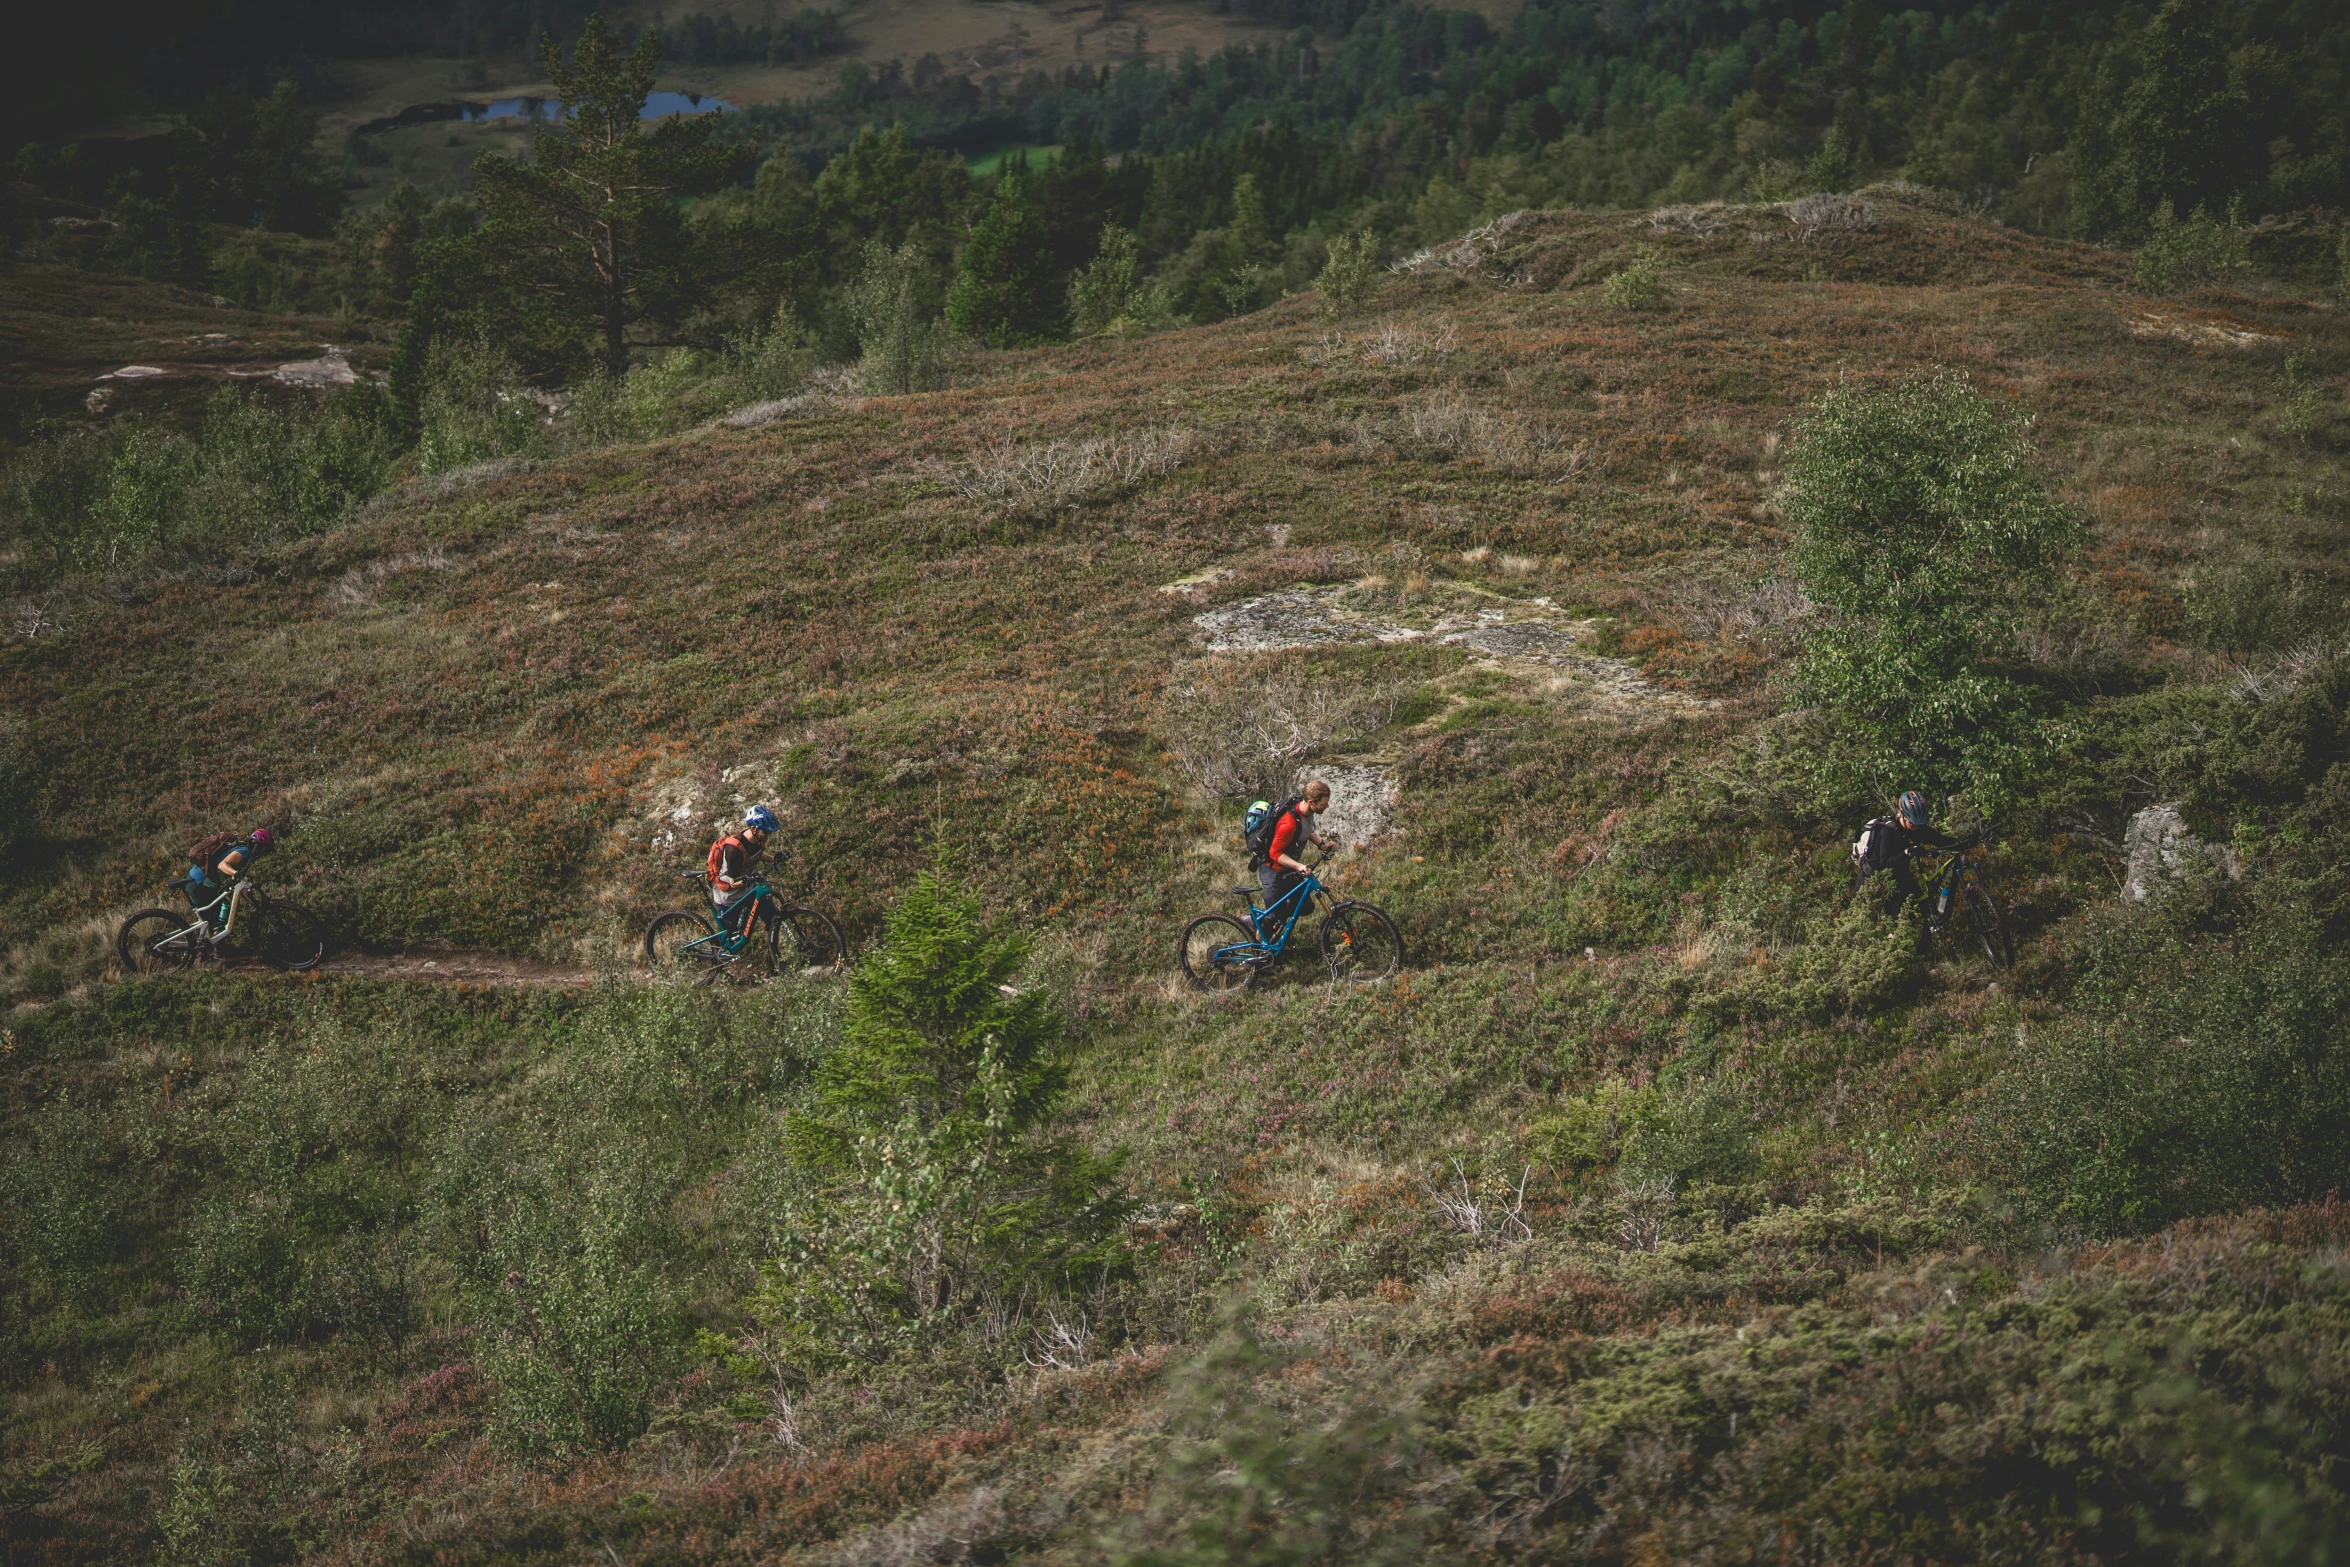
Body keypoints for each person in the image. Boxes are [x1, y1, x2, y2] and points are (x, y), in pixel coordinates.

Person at [1855, 791, 1959, 949]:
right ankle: (1891, 957)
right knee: (1892, 923)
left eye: (1919, 824)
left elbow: (1942, 841)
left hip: (1899, 876)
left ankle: (1922, 953)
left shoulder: (1918, 828)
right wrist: (1907, 853)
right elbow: (1884, 864)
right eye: (1913, 823)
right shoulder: (1888, 832)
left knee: (1922, 906)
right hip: (1875, 880)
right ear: (1902, 816)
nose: (1916, 828)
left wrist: (1968, 841)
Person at [1253, 779, 1337, 938]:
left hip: (1289, 869)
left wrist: (1322, 845)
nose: (1326, 806)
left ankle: (1262, 922)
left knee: (1305, 906)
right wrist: (1299, 866)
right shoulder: (1288, 823)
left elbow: (1307, 829)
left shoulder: (1307, 811)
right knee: (1272, 917)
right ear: (1311, 802)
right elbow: (1275, 854)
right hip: (1274, 871)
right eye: (1323, 804)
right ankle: (1257, 956)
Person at [707, 805, 781, 935]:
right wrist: (751, 878)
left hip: (746, 891)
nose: (767, 836)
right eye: (765, 833)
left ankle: (774, 946)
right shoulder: (733, 850)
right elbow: (733, 882)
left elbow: (758, 854)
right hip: (729, 897)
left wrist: (774, 859)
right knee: (732, 938)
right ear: (753, 828)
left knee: (772, 916)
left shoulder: (758, 839)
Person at [185, 826, 276, 931]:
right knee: (214, 921)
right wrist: (235, 873)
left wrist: (254, 903)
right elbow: (222, 865)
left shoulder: (245, 854)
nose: (265, 854)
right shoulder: (244, 851)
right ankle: (206, 943)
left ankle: (211, 939)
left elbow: (238, 884)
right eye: (266, 851)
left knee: (222, 914)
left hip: (202, 883)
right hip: (198, 883)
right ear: (259, 847)